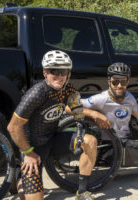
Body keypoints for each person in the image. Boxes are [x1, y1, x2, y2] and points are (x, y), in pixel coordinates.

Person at [7, 50, 100, 200]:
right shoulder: (37, 93)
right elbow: (13, 126)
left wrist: (90, 117)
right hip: (32, 148)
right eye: (54, 71)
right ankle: (19, 177)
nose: (60, 76)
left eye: (64, 71)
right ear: (45, 72)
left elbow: (76, 110)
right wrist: (28, 153)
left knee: (90, 141)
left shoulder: (69, 89)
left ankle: (82, 191)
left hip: (52, 139)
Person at [81, 62, 138, 154]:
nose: (119, 86)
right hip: (109, 143)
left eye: (123, 82)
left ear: (127, 82)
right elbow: (70, 106)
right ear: (109, 82)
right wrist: (94, 114)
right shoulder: (102, 99)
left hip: (126, 140)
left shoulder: (129, 97)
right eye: (115, 82)